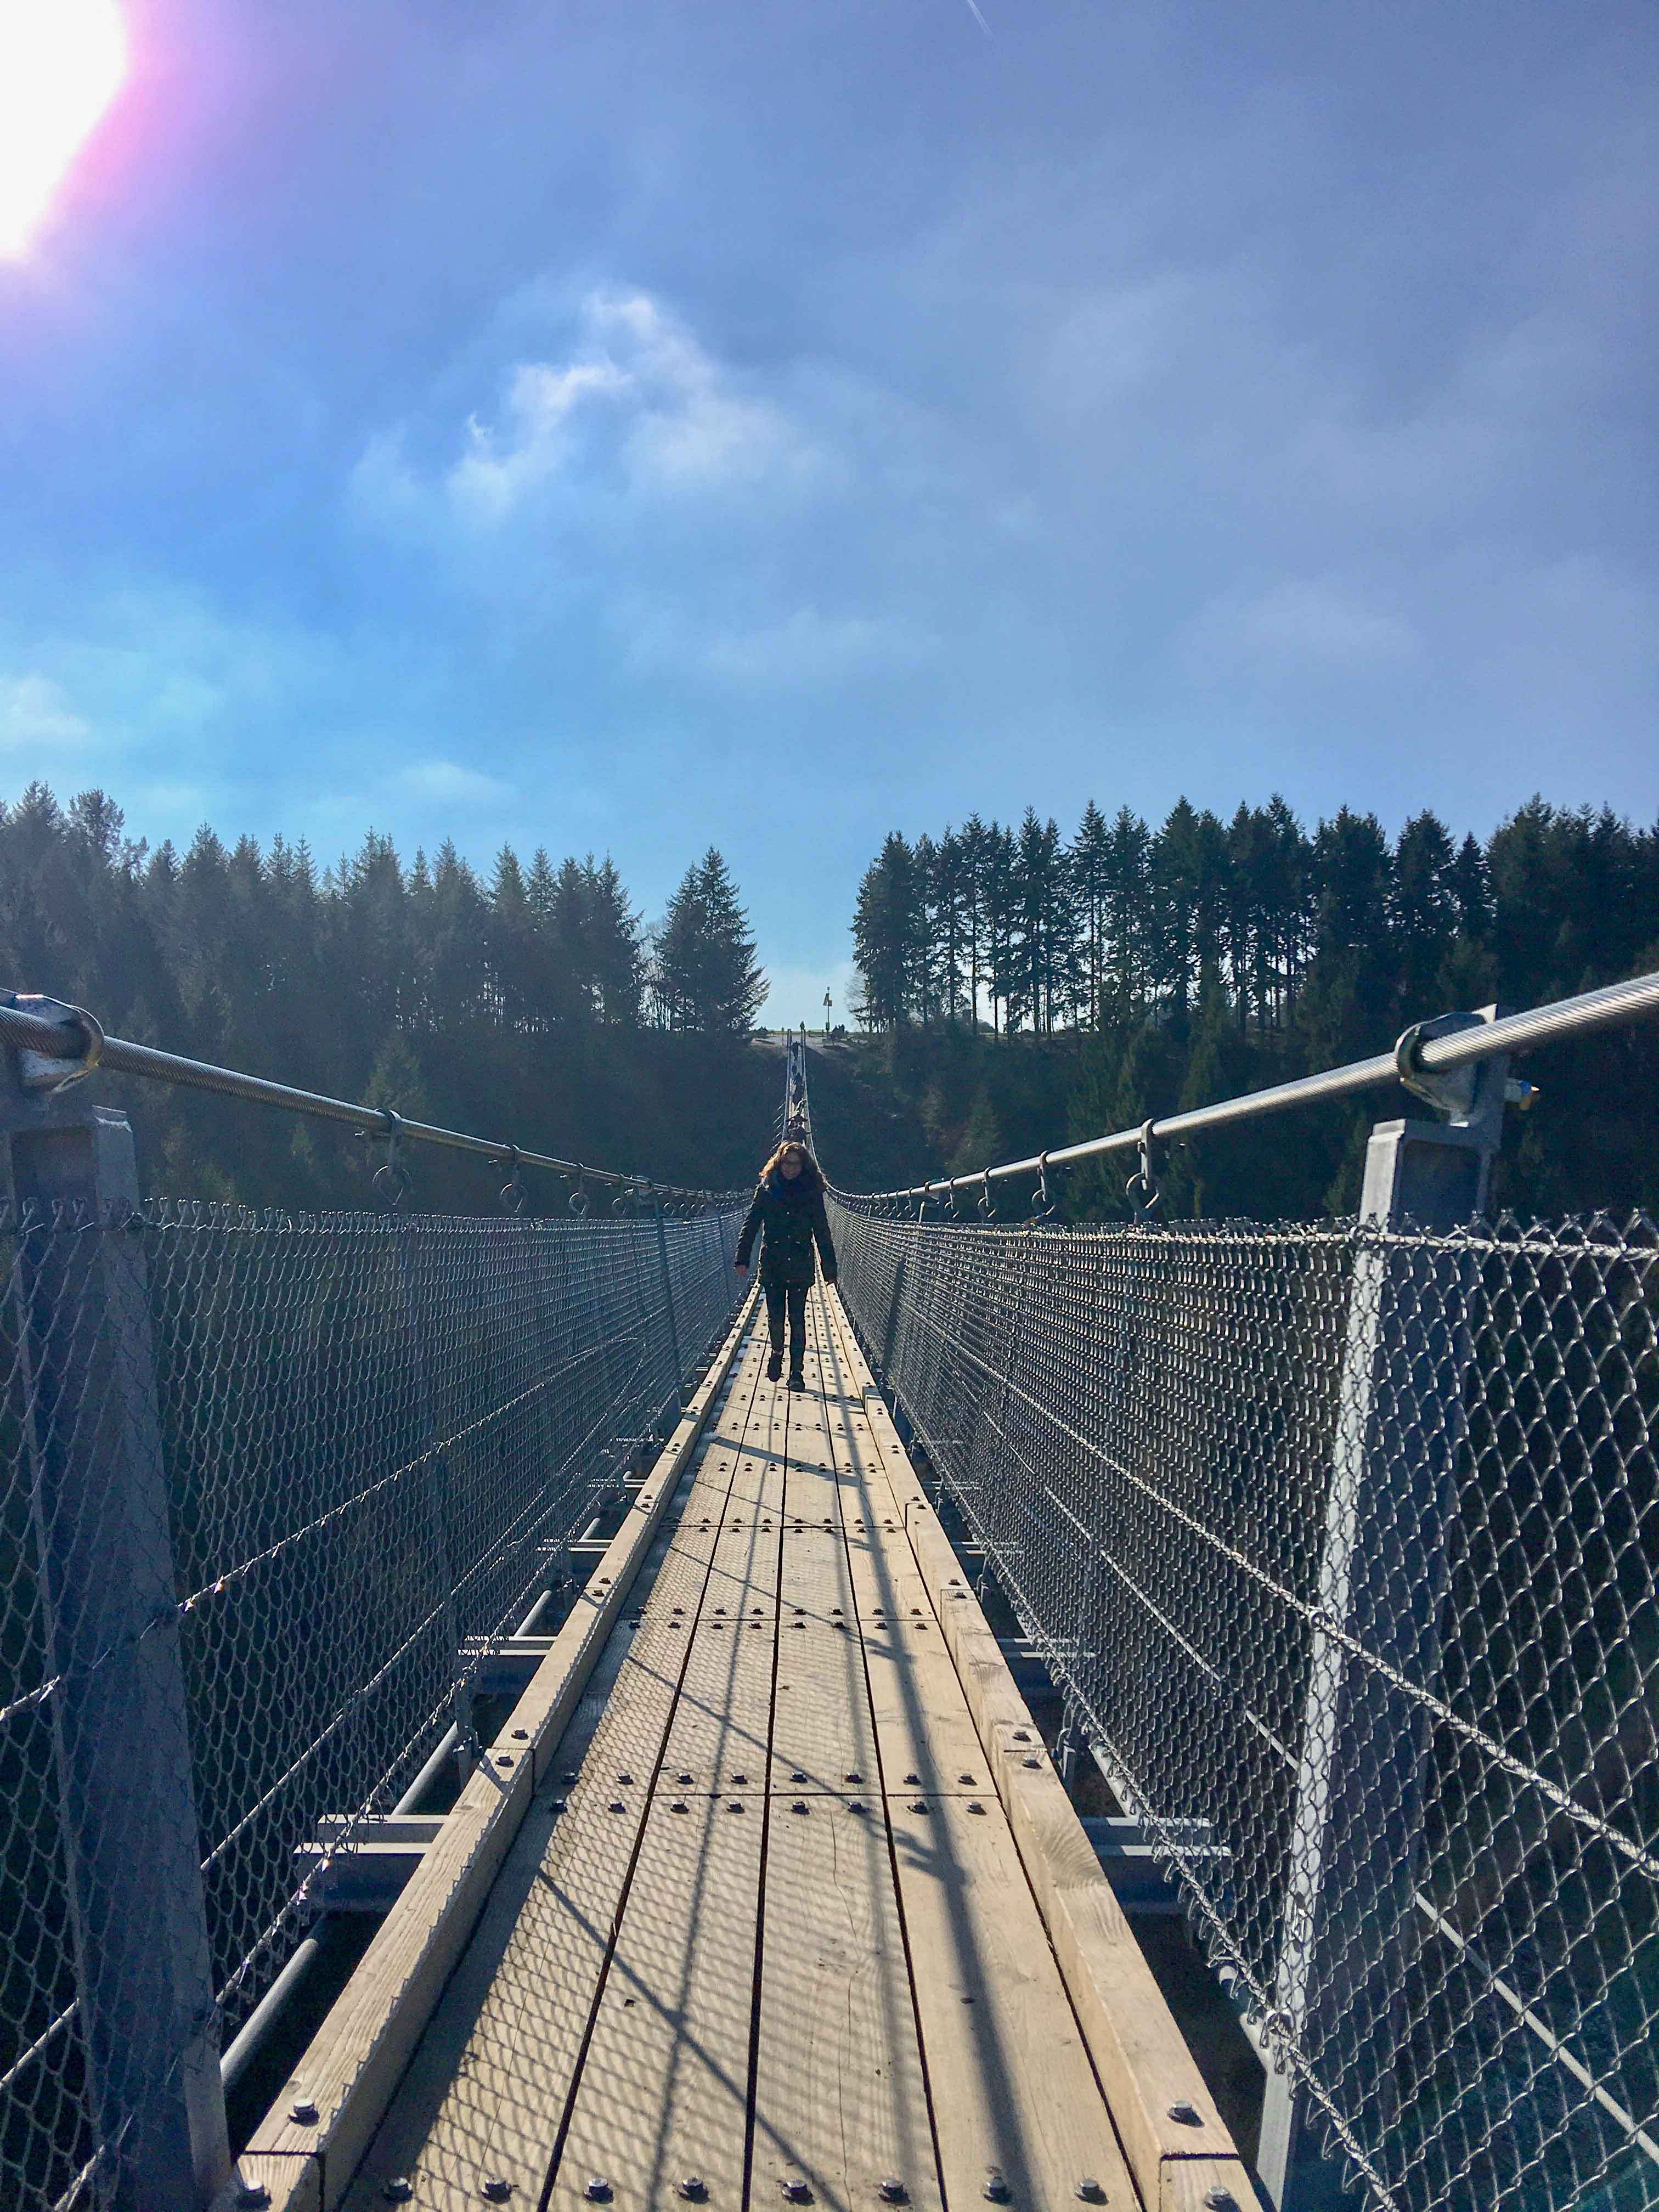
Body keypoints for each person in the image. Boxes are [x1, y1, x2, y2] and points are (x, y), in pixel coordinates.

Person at [733, 1137, 838, 1389]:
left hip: (800, 1264)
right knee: (776, 1318)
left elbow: (822, 1230)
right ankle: (777, 1353)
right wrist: (742, 1257)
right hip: (773, 1264)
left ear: (804, 1166)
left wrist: (829, 1267)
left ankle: (796, 1373)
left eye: (796, 1164)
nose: (791, 1168)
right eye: (787, 1163)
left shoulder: (812, 1194)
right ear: (779, 1164)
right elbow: (751, 1225)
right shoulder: (767, 1190)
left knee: (798, 1318)